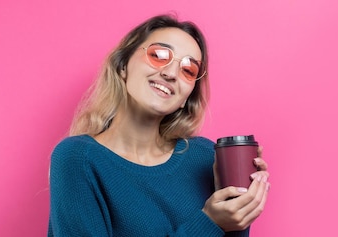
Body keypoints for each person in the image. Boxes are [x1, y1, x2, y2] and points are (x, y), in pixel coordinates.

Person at [48, 14, 270, 237]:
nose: (171, 73)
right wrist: (210, 223)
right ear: (123, 65)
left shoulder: (204, 157)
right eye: (159, 55)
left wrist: (241, 209)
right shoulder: (79, 159)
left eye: (188, 70)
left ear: (186, 98)